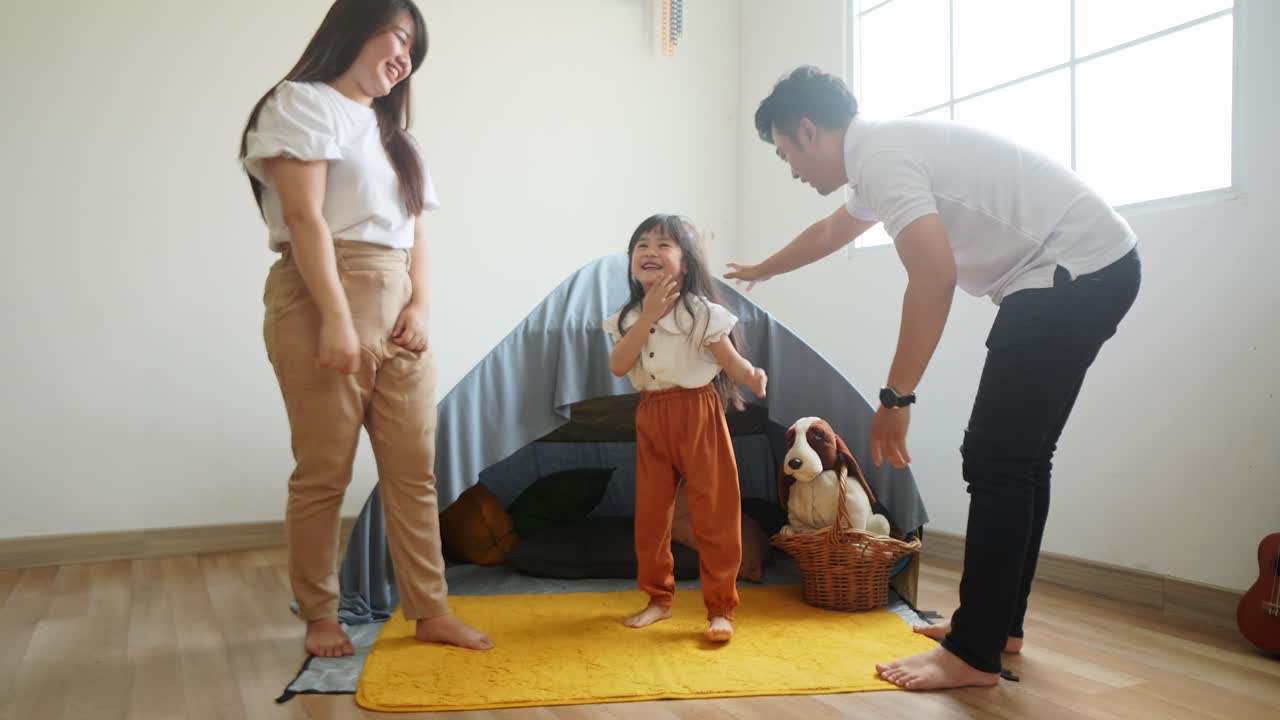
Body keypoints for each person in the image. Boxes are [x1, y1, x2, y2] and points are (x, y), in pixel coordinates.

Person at [726, 66, 1140, 689]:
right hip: (1089, 269)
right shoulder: (880, 155)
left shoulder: (884, 158)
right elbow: (834, 230)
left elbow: (933, 275)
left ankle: (974, 654)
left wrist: (896, 397)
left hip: (1071, 274)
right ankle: (999, 628)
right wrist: (766, 267)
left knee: (997, 460)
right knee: (1022, 461)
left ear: (808, 130)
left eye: (787, 153)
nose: (792, 170)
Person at [239, 0, 492, 657]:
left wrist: (420, 308)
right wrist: (334, 319)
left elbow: (416, 235)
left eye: (414, 50)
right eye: (400, 37)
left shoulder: (394, 137)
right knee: (324, 470)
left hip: (398, 301)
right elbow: (305, 220)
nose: (406, 58)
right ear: (356, 26)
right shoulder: (300, 103)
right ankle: (320, 615)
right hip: (322, 292)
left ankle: (430, 610)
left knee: (415, 471)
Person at [604, 214, 769, 643]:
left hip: (698, 413)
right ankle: (658, 599)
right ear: (630, 261)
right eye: (641, 245)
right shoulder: (626, 317)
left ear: (686, 262)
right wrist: (648, 316)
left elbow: (729, 360)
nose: (650, 252)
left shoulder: (702, 314)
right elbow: (620, 365)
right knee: (652, 515)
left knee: (714, 511)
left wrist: (751, 375)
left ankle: (720, 608)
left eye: (664, 245)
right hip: (652, 415)